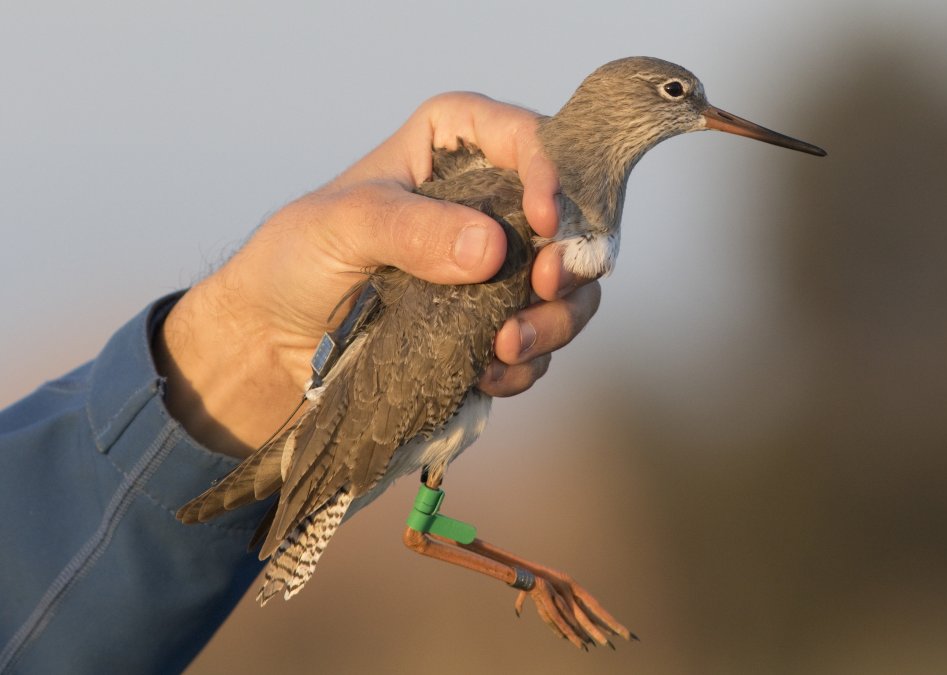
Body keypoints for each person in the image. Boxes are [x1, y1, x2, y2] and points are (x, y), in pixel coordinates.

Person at [0, 93, 601, 674]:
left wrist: (255, 341)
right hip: (352, 427)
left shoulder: (526, 188)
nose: (702, 115)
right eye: (681, 96)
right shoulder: (526, 211)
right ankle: (529, 576)